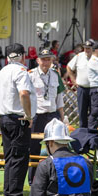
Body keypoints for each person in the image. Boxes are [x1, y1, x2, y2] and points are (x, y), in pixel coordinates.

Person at [0, 43, 35, 196]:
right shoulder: (21, 71)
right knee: (19, 158)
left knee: (10, 158)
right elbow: (24, 93)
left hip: (4, 117)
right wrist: (29, 114)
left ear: (7, 57)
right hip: (18, 119)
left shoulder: (2, 72)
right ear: (23, 56)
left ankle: (9, 194)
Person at [28, 48, 65, 184]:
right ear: (38, 60)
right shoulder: (31, 75)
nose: (46, 62)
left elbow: (59, 98)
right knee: (34, 148)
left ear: (52, 60)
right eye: (43, 59)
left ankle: (53, 178)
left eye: (48, 59)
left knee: (55, 148)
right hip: (37, 115)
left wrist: (62, 118)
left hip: (53, 114)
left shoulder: (55, 75)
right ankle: (33, 180)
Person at [66, 39, 93, 128]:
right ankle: (83, 131)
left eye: (89, 48)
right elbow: (69, 67)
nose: (87, 50)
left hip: (94, 89)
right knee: (82, 112)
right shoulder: (79, 56)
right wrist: (73, 80)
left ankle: (92, 130)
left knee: (94, 112)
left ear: (93, 48)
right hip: (82, 88)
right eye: (85, 48)